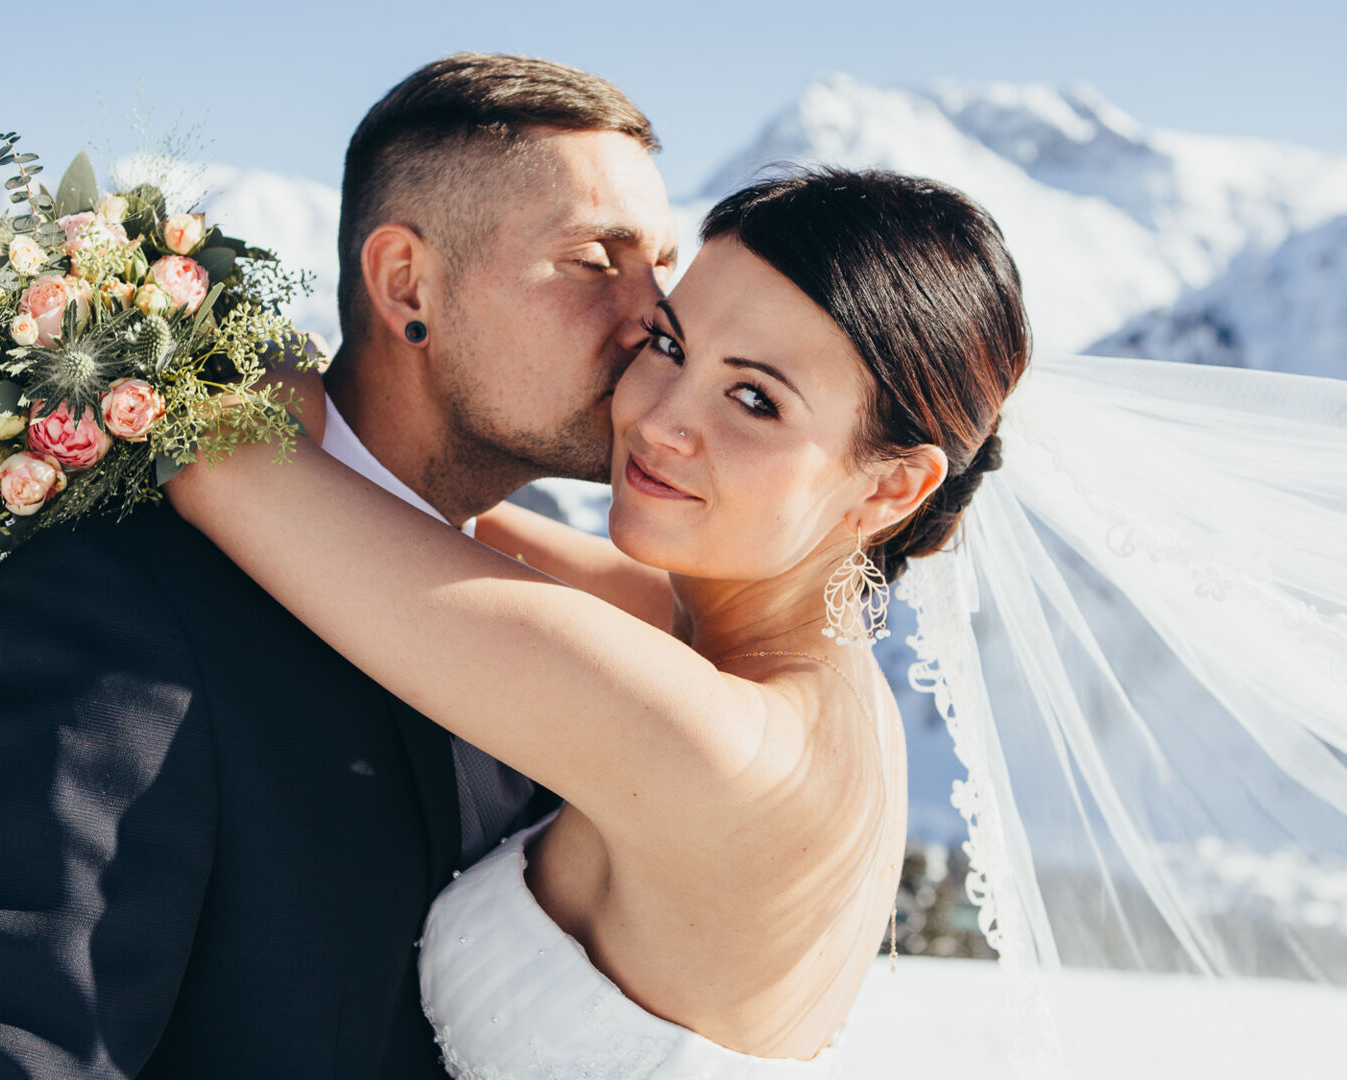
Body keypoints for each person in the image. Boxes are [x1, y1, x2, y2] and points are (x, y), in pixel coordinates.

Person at [0, 53, 678, 1079]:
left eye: (664, 267)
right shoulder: (121, 603)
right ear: (407, 282)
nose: (658, 318)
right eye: (598, 260)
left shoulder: (563, 626)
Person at [167, 167, 1031, 1074]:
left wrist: (124, 300)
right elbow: (416, 503)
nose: (659, 421)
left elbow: (216, 456)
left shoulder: (719, 743)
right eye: (668, 343)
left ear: (891, 486)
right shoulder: (771, 662)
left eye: (754, 400)